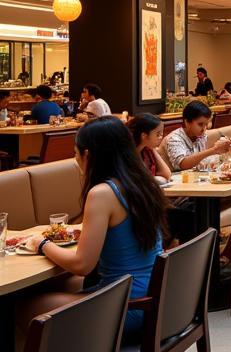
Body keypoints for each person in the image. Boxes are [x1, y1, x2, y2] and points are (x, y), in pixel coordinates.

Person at [23, 116, 167, 338]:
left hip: (130, 305)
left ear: (87, 154)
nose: (75, 159)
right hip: (154, 295)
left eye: (75, 152)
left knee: (28, 307)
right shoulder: (143, 182)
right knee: (64, 286)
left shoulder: (102, 193)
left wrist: (42, 244)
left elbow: (82, 265)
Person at [162, 99, 231, 171]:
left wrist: (225, 151)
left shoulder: (200, 136)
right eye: (200, 124)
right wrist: (214, 150)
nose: (204, 129)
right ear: (187, 122)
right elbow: (182, 164)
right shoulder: (174, 139)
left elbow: (201, 162)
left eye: (206, 124)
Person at [127, 113, 172, 181]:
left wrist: (153, 148)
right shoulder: (127, 154)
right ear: (144, 136)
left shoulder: (147, 150)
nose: (161, 137)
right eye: (158, 134)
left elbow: (167, 174)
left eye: (161, 134)